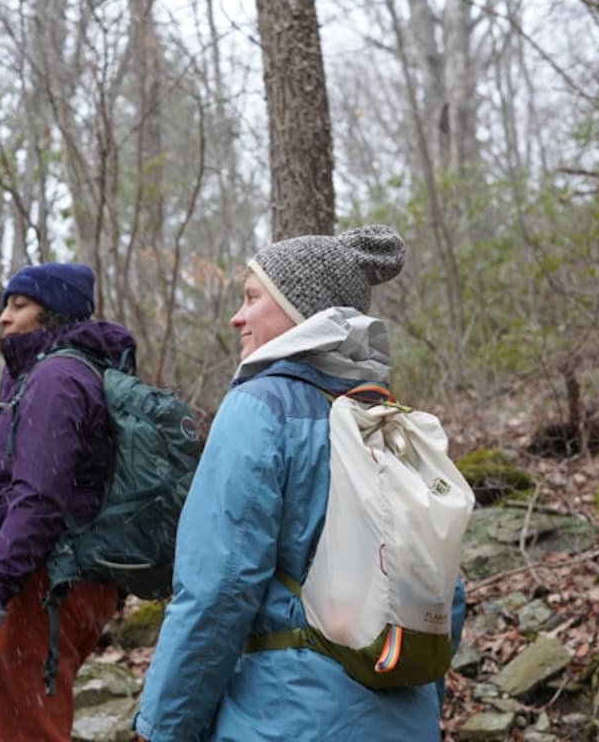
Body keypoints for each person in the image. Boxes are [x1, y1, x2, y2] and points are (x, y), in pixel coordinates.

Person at [134, 226, 466, 742]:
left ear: (298, 309)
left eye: (251, 298)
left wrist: (164, 728)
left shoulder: (260, 408)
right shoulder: (390, 421)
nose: (236, 317)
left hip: (287, 718)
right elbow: (443, 593)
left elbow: (217, 591)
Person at [0, 262, 137, 742]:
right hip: (33, 575)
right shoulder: (34, 372)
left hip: (46, 582)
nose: (4, 319)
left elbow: (38, 498)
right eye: (5, 305)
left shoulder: (57, 378)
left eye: (19, 305)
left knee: (23, 727)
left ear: (53, 314)